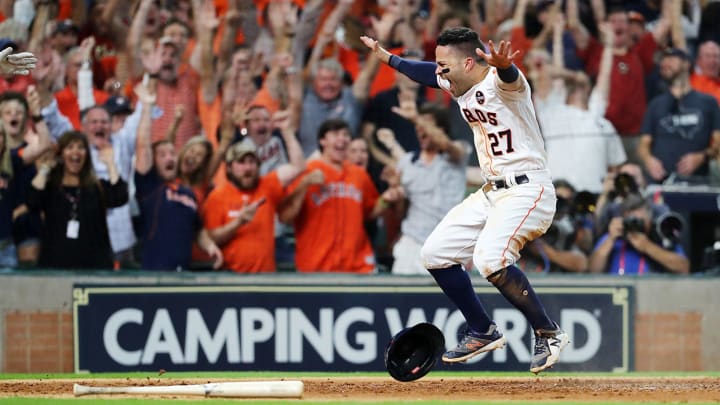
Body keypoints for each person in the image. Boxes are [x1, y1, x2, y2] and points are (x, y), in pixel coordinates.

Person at [360, 27, 568, 374]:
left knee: (490, 258)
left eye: (446, 66)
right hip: (493, 191)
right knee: (435, 253)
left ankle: (548, 332)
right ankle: (482, 329)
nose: (439, 72)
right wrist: (388, 58)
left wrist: (505, 66)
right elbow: (427, 72)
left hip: (528, 188)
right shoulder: (460, 81)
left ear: (469, 62)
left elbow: (511, 80)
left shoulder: (503, 87)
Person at [280, 119, 404, 273]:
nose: (342, 138)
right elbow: (285, 217)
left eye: (346, 134)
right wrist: (304, 184)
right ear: (322, 141)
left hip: (358, 264)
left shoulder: (359, 174)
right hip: (316, 264)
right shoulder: (307, 171)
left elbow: (369, 211)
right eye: (335, 134)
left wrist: (385, 200)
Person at [27, 131, 128, 269]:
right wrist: (45, 169)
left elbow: (120, 197)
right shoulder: (51, 188)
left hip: (94, 267)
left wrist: (111, 164)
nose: (76, 151)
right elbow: (32, 202)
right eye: (70, 147)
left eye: (81, 147)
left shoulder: (97, 187)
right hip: (55, 266)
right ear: (61, 154)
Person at [202, 141, 303, 273]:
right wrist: (238, 222)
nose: (248, 168)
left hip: (265, 277)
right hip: (230, 277)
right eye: (241, 162)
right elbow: (210, 239)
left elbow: (298, 166)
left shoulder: (267, 186)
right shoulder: (217, 197)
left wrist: (287, 130)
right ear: (229, 168)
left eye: (252, 162)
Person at [637, 48, 720, 183]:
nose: (664, 64)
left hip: (697, 182)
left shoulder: (708, 102)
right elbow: (643, 144)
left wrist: (702, 156)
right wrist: (649, 160)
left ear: (686, 64)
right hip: (661, 182)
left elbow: (718, 142)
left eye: (670, 59)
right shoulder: (655, 104)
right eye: (663, 61)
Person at [588, 194, 689, 275]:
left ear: (650, 220)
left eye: (640, 221)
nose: (635, 225)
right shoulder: (613, 239)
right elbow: (592, 270)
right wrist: (610, 239)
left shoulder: (660, 238)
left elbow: (683, 268)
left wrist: (648, 247)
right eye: (631, 220)